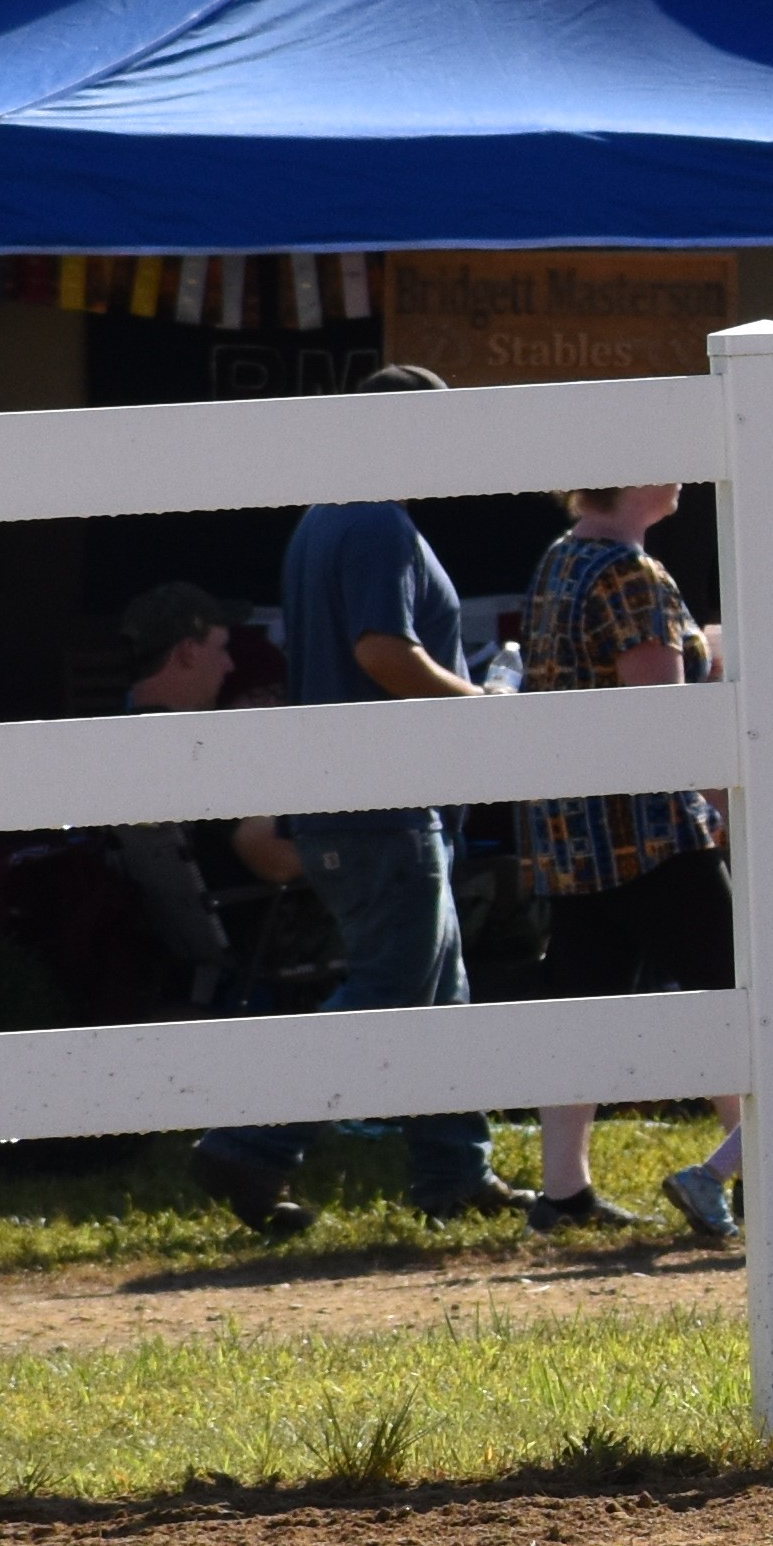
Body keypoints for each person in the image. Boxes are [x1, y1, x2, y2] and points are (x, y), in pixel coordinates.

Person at [228, 372, 516, 1224]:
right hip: (384, 804)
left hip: (342, 799)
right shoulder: (379, 522)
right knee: (394, 984)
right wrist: (482, 706)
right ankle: (252, 1145)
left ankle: (454, 1169)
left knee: (438, 990)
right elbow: (382, 653)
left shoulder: (323, 519)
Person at [510, 483, 744, 1241]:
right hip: (647, 834)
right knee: (743, 999)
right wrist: (736, 804)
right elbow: (660, 724)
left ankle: (563, 1192)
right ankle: (770, 1169)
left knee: (584, 1008)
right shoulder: (631, 574)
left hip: (571, 832)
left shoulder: (562, 555)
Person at [112, 582, 316, 1229]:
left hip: (193, 938)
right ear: (187, 654)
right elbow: (274, 858)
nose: (231, 666)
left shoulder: (119, 738)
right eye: (222, 650)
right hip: (263, 932)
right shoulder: (202, 752)